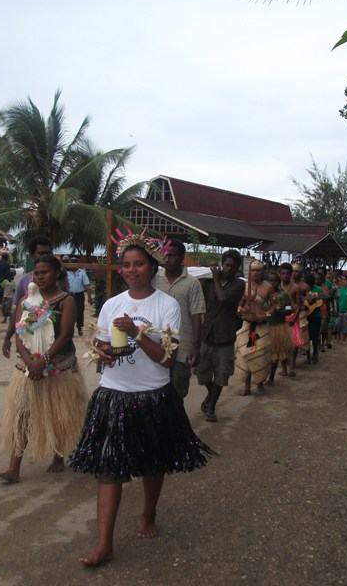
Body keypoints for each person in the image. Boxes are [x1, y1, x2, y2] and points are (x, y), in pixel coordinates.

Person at [68, 232, 214, 567]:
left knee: (152, 463)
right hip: (113, 396)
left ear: (152, 268)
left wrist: (136, 332)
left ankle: (148, 513)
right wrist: (103, 353)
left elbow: (166, 359)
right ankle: (104, 543)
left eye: (139, 264)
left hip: (152, 396)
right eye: (126, 265)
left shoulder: (166, 306)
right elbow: (104, 346)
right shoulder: (111, 305)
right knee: (108, 468)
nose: (131, 270)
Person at [0, 255, 87, 484]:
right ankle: (13, 468)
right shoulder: (27, 301)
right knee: (22, 415)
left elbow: (65, 334)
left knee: (58, 413)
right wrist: (30, 362)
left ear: (57, 273)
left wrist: (43, 360)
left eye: (45, 272)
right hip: (28, 366)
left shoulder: (66, 301)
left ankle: (58, 455)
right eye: (37, 273)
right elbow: (19, 334)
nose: (40, 276)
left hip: (59, 364)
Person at [196, 249, 245, 422]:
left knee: (222, 373)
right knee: (201, 371)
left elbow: (223, 298)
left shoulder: (239, 284)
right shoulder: (209, 283)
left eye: (233, 266)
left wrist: (215, 278)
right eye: (226, 265)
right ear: (222, 263)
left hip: (225, 335)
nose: (229, 269)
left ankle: (211, 407)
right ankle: (211, 397)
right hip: (207, 332)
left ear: (237, 268)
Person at [152, 240, 205, 400]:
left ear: (182, 257)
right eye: (165, 255)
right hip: (155, 344)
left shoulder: (192, 283)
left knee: (176, 393)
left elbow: (197, 314)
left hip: (181, 349)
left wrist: (196, 346)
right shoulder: (154, 279)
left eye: (172, 256)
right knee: (155, 391)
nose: (167, 259)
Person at [1, 236, 66, 359]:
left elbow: (66, 314)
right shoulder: (24, 281)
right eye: (41, 253)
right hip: (30, 343)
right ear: (32, 256)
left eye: (48, 253)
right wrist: (7, 338)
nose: (44, 256)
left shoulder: (60, 280)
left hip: (55, 347)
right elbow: (16, 314)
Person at [234, 260, 275, 396]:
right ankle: (247, 386)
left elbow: (275, 306)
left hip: (262, 326)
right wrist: (240, 311)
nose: (255, 272)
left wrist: (265, 315)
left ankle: (260, 382)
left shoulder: (268, 287)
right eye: (253, 270)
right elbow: (239, 303)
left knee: (260, 354)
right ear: (249, 272)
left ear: (263, 272)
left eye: (258, 270)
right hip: (248, 326)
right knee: (246, 355)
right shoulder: (244, 286)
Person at [263, 271, 293, 384]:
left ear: (278, 281)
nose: (272, 283)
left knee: (275, 354)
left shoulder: (284, 294)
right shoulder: (264, 293)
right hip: (264, 326)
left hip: (278, 327)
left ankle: (271, 377)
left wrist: (279, 311)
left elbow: (289, 310)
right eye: (270, 280)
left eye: (275, 281)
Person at [66, 257, 91, 336]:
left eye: (75, 263)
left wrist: (89, 297)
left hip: (79, 296)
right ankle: (70, 329)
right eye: (72, 262)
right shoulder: (66, 273)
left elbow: (86, 285)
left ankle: (80, 327)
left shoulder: (82, 272)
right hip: (69, 296)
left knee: (80, 312)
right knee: (69, 313)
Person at [335, 276, 347, 344]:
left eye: (345, 280)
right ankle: (338, 338)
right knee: (338, 325)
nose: (343, 281)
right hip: (339, 310)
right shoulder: (339, 290)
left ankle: (344, 340)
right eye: (342, 280)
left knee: (345, 326)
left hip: (346, 311)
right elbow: (336, 300)